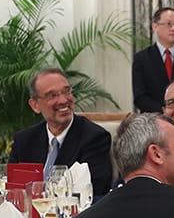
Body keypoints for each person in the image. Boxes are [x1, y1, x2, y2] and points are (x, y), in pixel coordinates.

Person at [9, 68, 114, 196]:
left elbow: (93, 191)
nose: (63, 100)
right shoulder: (24, 141)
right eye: (52, 95)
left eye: (66, 91)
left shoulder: (94, 138)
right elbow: (11, 191)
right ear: (35, 105)